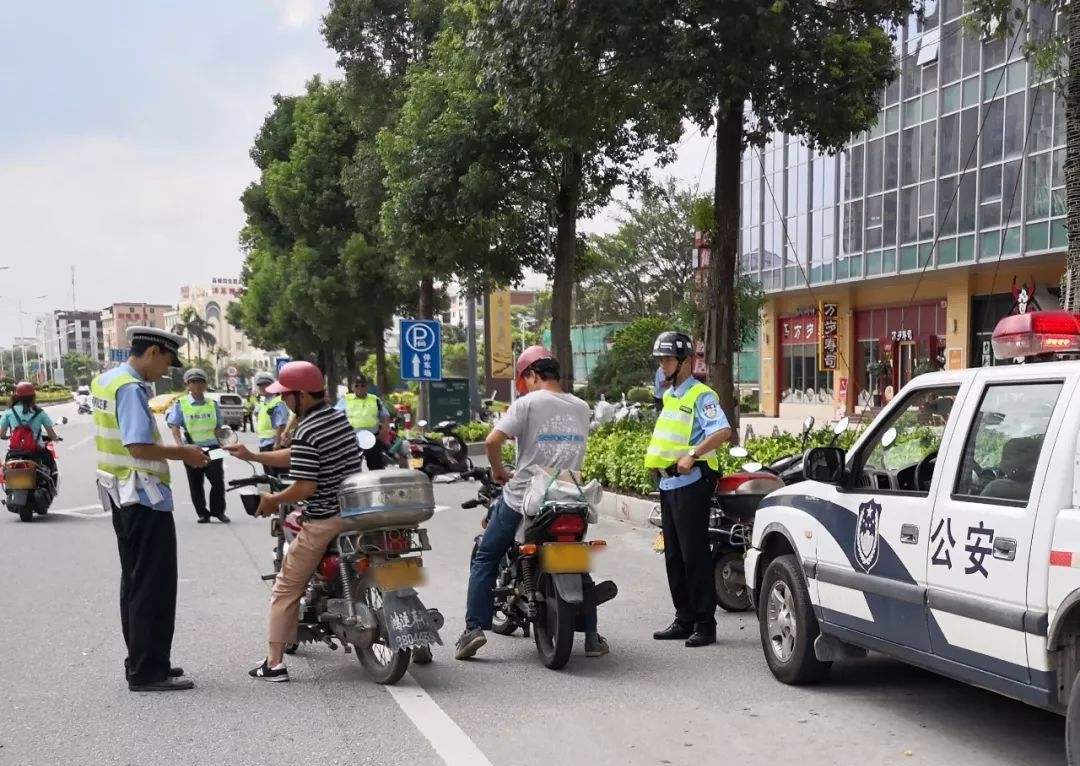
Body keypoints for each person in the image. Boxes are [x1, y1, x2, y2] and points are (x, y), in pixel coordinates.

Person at [455, 345, 608, 661]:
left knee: (486, 555)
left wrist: (499, 471)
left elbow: (491, 442)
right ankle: (591, 637)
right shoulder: (581, 407)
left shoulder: (526, 404)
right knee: (576, 562)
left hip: (525, 497)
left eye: (525, 378)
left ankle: (473, 629)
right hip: (570, 496)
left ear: (532, 375)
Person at [223, 361, 362, 682]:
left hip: (325, 518)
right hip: (354, 512)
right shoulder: (336, 419)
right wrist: (254, 456)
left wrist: (271, 500)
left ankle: (273, 663)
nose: (283, 401)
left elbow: (304, 487)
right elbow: (298, 456)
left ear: (301, 395)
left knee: (285, 588)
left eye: (286, 395)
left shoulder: (308, 429)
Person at [91, 326, 210, 692]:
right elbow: (139, 446)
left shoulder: (106, 380)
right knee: (152, 585)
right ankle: (147, 670)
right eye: (167, 362)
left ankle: (144, 661)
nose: (166, 371)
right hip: (142, 496)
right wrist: (185, 453)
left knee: (134, 582)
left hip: (121, 495)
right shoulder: (129, 388)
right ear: (154, 352)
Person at [645, 331, 732, 648]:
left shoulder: (702, 395)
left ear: (684, 362)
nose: (663, 365)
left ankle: (705, 625)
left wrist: (692, 454)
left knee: (694, 555)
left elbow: (722, 431)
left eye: (667, 359)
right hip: (668, 484)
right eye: (661, 360)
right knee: (674, 556)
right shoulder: (670, 395)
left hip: (692, 483)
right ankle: (684, 618)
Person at [166, 368, 229, 524]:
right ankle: (202, 513)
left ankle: (218, 512)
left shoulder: (212, 404)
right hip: (192, 449)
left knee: (218, 481)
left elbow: (219, 428)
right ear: (187, 385)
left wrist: (226, 445)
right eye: (193, 382)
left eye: (200, 382)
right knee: (196, 483)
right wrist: (181, 447)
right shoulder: (181, 404)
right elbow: (174, 428)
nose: (197, 385)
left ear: (205, 384)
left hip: (214, 447)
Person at [0, 381, 61, 481]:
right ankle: (52, 487)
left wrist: (8, 437)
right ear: (33, 396)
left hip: (14, 452)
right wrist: (56, 438)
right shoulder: (40, 412)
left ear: (16, 396)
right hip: (36, 451)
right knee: (51, 468)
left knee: (6, 471)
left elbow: (1, 434)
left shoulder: (9, 412)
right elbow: (51, 433)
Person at [334, 373, 389, 470]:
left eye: (362, 385)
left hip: (373, 438)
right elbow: (335, 416)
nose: (360, 388)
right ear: (352, 387)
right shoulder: (346, 399)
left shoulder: (374, 399)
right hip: (352, 440)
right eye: (357, 385)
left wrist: (384, 431)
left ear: (366, 386)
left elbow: (385, 416)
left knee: (376, 469)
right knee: (351, 469)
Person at [253, 371, 289, 475]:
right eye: (260, 385)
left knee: (276, 475)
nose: (262, 387)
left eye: (265, 385)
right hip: (264, 443)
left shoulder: (278, 402)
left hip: (273, 444)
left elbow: (281, 424)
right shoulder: (264, 402)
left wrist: (277, 444)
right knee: (269, 475)